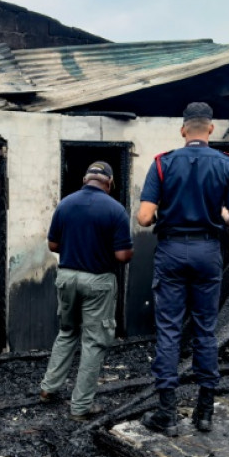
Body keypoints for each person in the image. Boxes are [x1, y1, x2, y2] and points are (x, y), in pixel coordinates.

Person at [137, 102, 229, 435]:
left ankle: (167, 415)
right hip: (207, 252)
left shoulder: (163, 163)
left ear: (183, 130)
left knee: (169, 330)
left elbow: (144, 218)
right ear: (211, 129)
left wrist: (167, 211)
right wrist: (220, 214)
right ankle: (204, 413)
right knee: (205, 329)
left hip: (171, 250)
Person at [39, 161, 134, 421]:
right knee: (93, 342)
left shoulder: (65, 204)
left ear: (85, 179)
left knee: (67, 332)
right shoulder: (116, 210)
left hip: (67, 277)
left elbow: (53, 244)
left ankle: (48, 388)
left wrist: (75, 247)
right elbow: (123, 255)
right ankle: (80, 407)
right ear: (109, 183)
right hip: (98, 281)